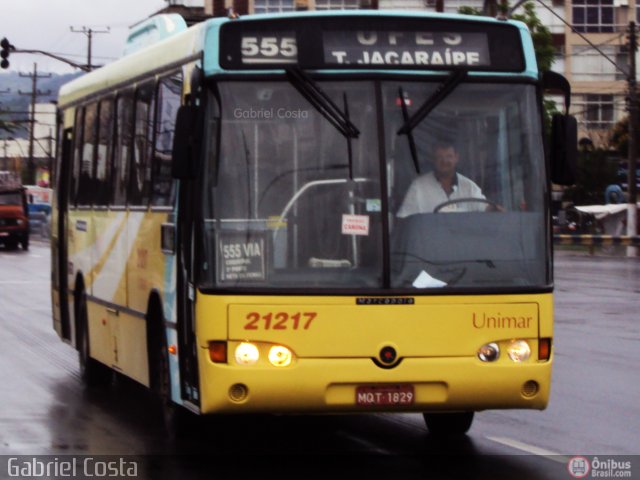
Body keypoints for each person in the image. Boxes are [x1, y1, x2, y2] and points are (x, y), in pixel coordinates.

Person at [396, 141, 487, 217]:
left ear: (456, 158)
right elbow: (404, 220)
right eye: (440, 157)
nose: (444, 161)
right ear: (433, 159)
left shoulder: (469, 187)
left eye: (449, 156)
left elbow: (486, 208)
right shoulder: (418, 187)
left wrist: (497, 210)